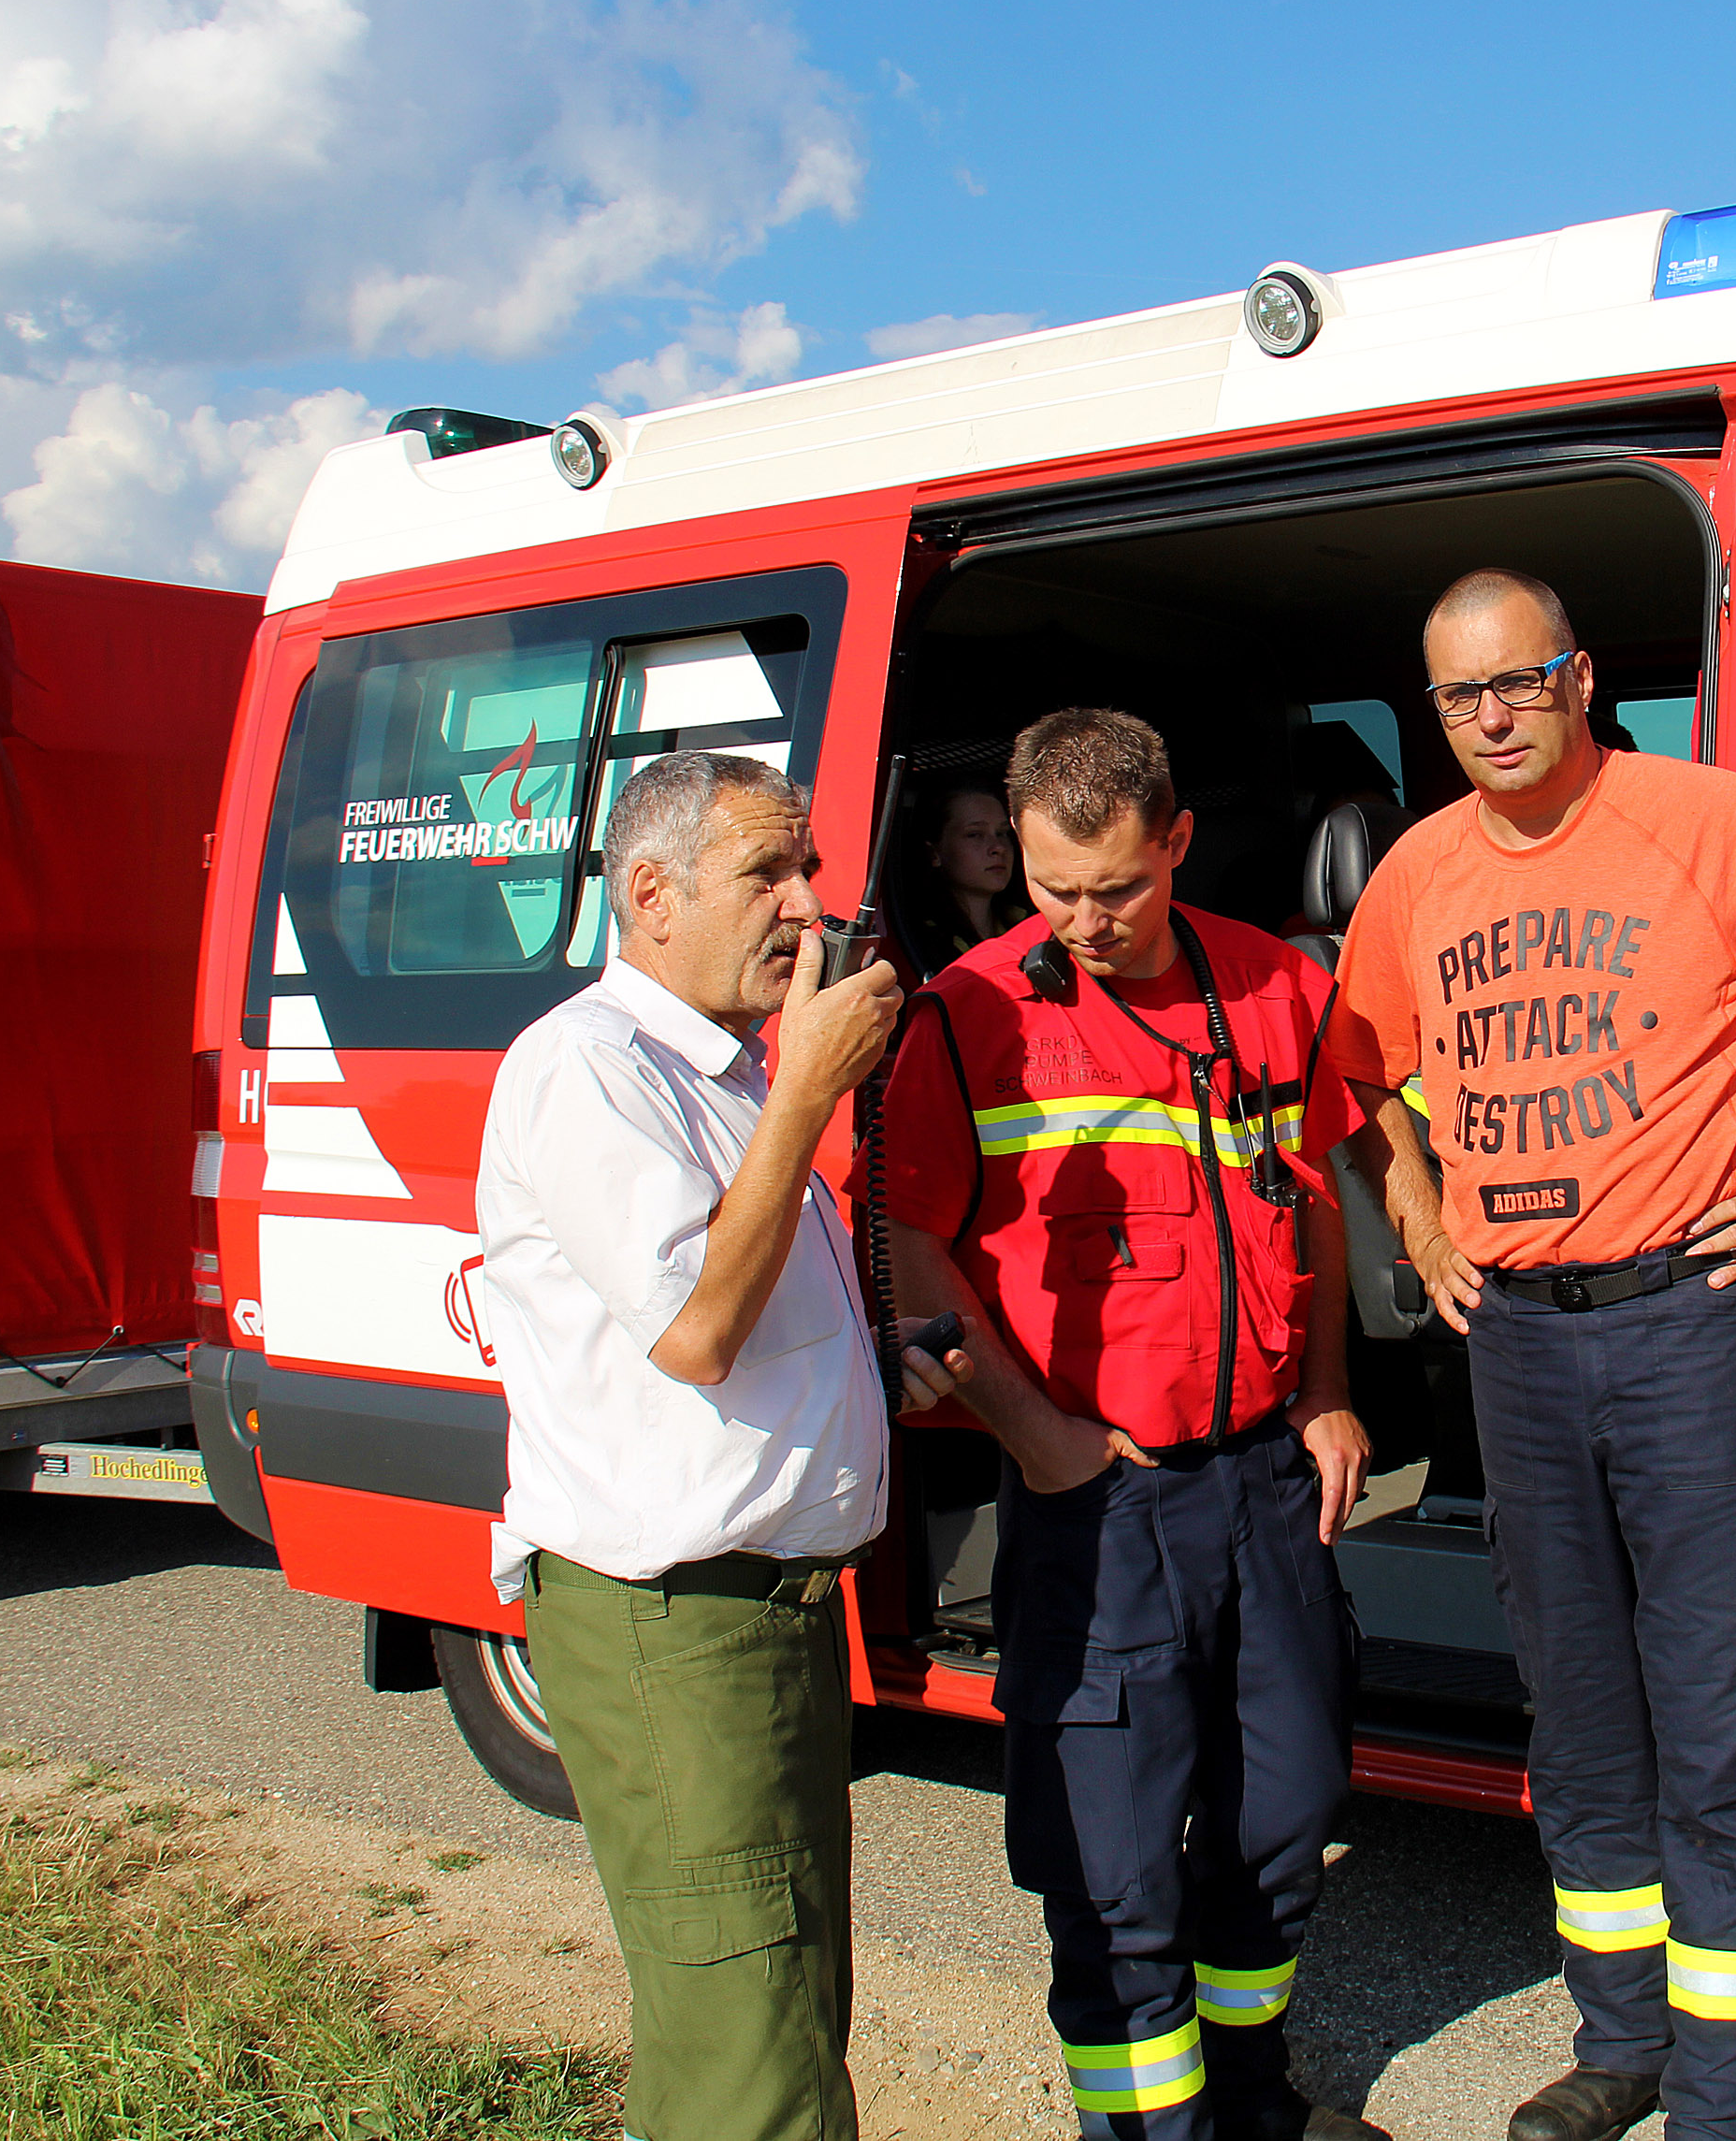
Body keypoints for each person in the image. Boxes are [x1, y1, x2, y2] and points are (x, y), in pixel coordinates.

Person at [1326, 571, 1736, 2141]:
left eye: (1520, 679)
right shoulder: (1418, 872)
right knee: (1581, 1711)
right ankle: (1623, 2039)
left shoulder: (1714, 821)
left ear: (1579, 676)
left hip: (1689, 1325)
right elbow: (1347, 1079)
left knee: (1721, 1709)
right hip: (1522, 1348)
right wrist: (1421, 1225)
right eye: (1460, 695)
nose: (1493, 715)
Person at [873, 709, 1387, 2141]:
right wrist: (1035, 1435)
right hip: (1099, 1499)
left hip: (1266, 1484)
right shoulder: (968, 1014)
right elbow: (914, 1251)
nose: (1086, 922)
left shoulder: (1278, 983)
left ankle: (1248, 2099)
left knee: (1281, 1823)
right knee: (1112, 1873)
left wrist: (1333, 1390)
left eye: (1118, 885)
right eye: (1052, 888)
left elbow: (1313, 1204)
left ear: (1176, 841)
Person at [476, 749, 970, 2141]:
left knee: (782, 2012)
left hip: (765, 1618)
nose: (809, 906)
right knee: (752, 2052)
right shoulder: (586, 1068)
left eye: (804, 868)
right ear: (649, 894)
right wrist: (810, 1093)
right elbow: (696, 1327)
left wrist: (877, 1366)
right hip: (674, 1625)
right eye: (769, 872)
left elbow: (741, 1341)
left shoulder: (721, 1079)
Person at [897, 777, 1018, 969]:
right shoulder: (922, 943)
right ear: (934, 853)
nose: (998, 848)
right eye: (975, 834)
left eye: (1002, 833)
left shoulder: (1030, 923)